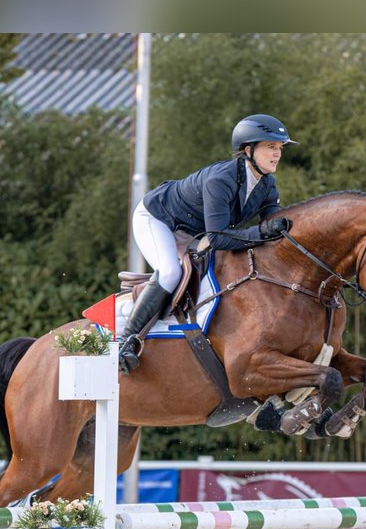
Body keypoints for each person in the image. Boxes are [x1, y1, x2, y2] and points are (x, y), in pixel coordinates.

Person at [120, 113, 298, 373]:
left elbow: (273, 225)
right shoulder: (221, 180)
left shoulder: (267, 184)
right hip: (158, 220)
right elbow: (218, 237)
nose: (277, 154)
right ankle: (126, 342)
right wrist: (262, 232)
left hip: (193, 234)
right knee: (170, 272)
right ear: (248, 150)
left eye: (280, 148)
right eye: (271, 147)